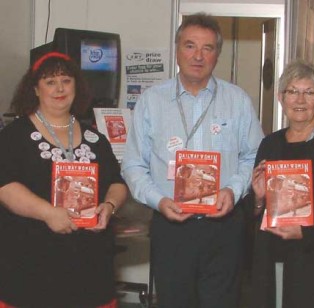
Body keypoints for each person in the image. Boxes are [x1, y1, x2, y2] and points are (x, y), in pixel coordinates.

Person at [121, 13, 264, 308]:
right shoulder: (151, 101)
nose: (198, 56)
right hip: (171, 226)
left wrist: (233, 190)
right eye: (189, 46)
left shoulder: (238, 101)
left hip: (224, 226)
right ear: (177, 50)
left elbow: (254, 156)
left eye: (207, 48)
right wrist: (159, 200)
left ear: (217, 55)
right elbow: (133, 164)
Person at [0, 52, 128, 308]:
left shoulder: (95, 138)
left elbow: (117, 182)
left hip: (89, 268)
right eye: (50, 82)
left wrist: (109, 206)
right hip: (31, 266)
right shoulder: (15, 135)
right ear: (35, 89)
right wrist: (48, 213)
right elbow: (5, 187)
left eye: (66, 80)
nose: (59, 88)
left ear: (76, 86)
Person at [250, 59, 314, 308]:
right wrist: (257, 198)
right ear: (280, 97)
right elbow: (255, 212)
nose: (299, 100)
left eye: (308, 93)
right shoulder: (270, 144)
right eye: (292, 92)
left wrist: (306, 233)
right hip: (270, 254)